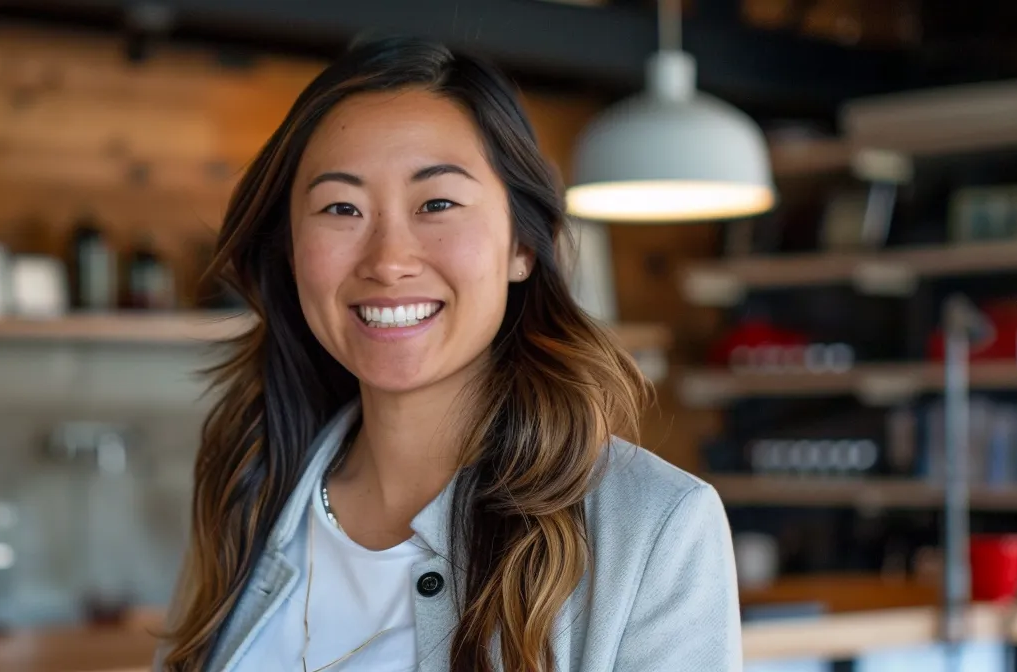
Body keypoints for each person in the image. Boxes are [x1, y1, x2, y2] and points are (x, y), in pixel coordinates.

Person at [156, 36, 740, 672]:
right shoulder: (249, 491)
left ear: (522, 245)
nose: (388, 260)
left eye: (437, 204)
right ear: (291, 254)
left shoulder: (656, 528)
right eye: (341, 208)